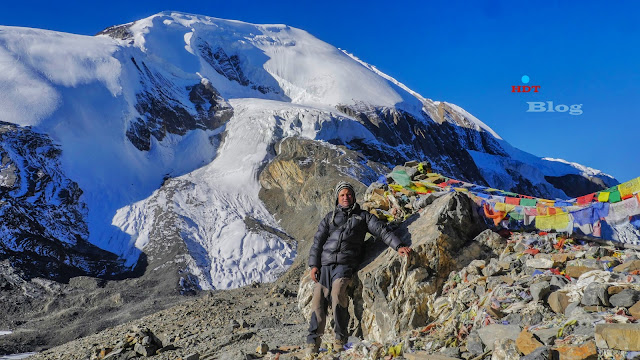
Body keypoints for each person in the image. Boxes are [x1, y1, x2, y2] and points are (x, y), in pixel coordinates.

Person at [306, 181, 412, 354]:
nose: (345, 197)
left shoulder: (363, 217)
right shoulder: (329, 218)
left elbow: (381, 231)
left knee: (337, 293)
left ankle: (340, 339)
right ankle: (312, 344)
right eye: (342, 195)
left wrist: (398, 245)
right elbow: (317, 242)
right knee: (318, 300)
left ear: (354, 197)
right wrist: (313, 265)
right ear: (337, 198)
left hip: (345, 264)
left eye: (348, 194)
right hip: (325, 265)